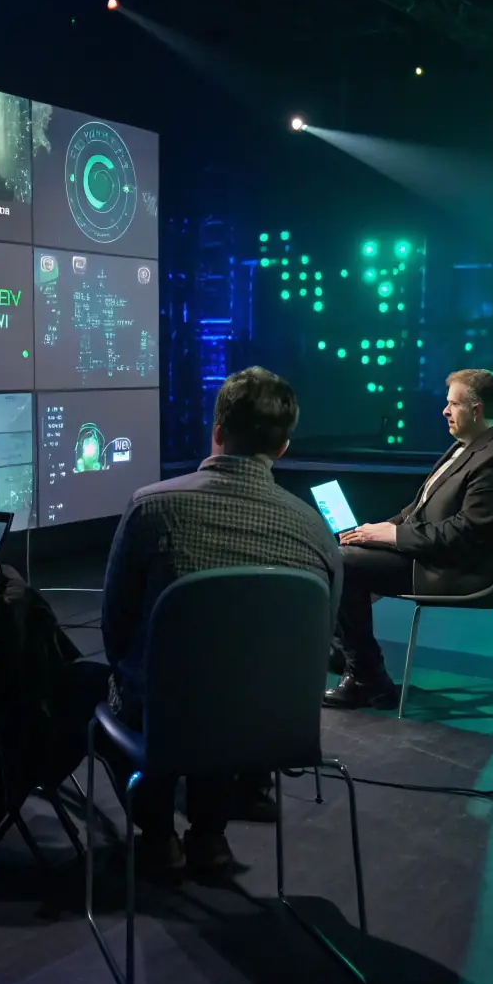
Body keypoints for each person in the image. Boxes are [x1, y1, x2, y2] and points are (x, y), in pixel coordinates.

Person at [101, 367, 341, 877]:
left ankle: (159, 838)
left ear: (216, 430)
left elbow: (114, 627)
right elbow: (322, 639)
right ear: (282, 448)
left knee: (116, 688)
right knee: (228, 684)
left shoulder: (153, 508)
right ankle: (209, 837)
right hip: (272, 729)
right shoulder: (317, 532)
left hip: (168, 716)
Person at [325, 368, 493, 710]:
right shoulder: (467, 448)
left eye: (452, 404)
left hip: (457, 570)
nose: (445, 410)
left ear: (477, 410)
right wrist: (374, 531)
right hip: (432, 555)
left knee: (345, 563)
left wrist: (392, 536)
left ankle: (365, 675)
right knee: (346, 550)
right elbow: (417, 510)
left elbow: (465, 533)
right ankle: (347, 652)